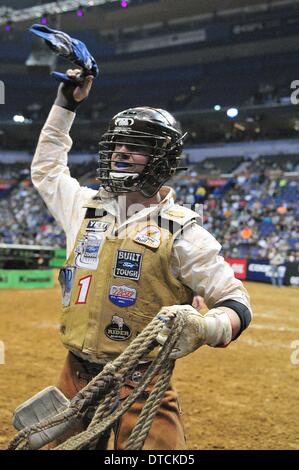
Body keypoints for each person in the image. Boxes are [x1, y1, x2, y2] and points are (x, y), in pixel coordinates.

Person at [31, 69, 253, 450]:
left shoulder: (183, 231)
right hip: (77, 374)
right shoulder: (84, 207)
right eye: (117, 144)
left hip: (142, 380)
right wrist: (65, 104)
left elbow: (236, 302)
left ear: (161, 159)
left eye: (135, 146)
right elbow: (47, 169)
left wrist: (205, 328)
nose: (120, 152)